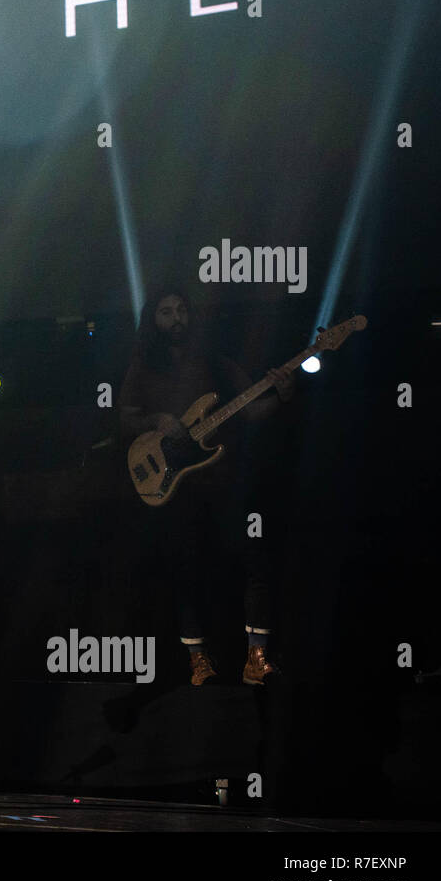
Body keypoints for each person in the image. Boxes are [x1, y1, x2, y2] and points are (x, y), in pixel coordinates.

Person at [119, 285, 294, 686]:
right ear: (153, 321)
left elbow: (252, 411)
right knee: (188, 572)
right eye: (167, 311)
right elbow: (125, 420)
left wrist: (283, 394)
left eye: (182, 309)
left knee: (255, 565)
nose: (177, 317)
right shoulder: (143, 368)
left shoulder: (216, 363)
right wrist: (158, 420)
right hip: (178, 489)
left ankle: (257, 658)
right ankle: (199, 661)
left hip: (225, 483)